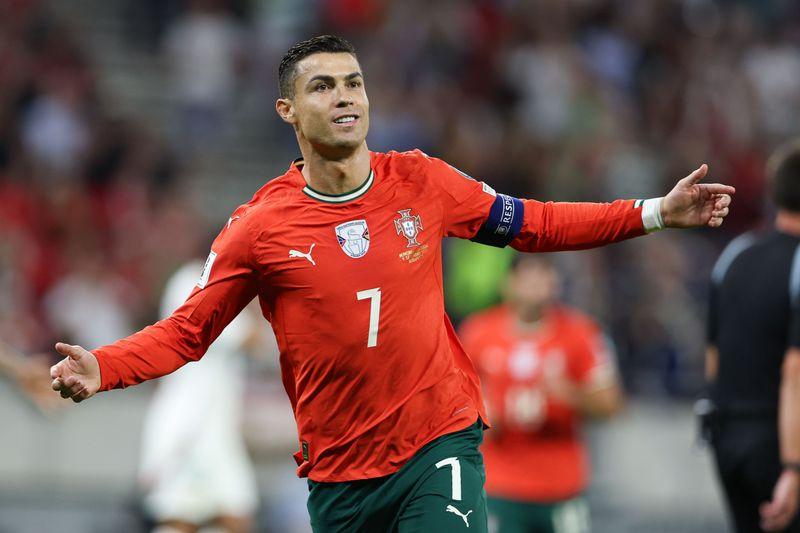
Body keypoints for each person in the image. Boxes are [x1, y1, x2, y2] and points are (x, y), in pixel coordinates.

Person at [50, 35, 734, 532]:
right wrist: (104, 365)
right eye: (323, 86)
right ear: (287, 110)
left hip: (438, 442)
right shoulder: (258, 228)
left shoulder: (421, 181)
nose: (345, 96)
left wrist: (655, 212)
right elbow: (189, 331)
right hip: (340, 474)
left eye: (353, 83)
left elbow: (536, 223)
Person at [460, 255, 622, 533]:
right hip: (499, 482)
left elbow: (611, 404)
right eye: (527, 276)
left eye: (543, 275)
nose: (535, 284)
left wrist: (570, 394)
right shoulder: (478, 333)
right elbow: (452, 399)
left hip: (561, 484)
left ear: (555, 282)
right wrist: (480, 415)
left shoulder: (581, 333)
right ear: (507, 283)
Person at [706, 139, 800, 533]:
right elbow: (795, 371)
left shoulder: (735, 254)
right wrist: (793, 467)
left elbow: (713, 357)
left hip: (728, 439)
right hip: (780, 443)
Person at [138, 259, 262, 533]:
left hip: (215, 425)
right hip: (189, 422)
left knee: (232, 514)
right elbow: (250, 336)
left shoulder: (219, 279)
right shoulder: (191, 280)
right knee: (181, 516)